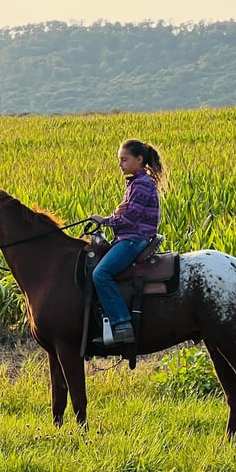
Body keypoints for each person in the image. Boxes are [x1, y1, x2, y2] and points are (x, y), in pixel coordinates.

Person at [90, 139, 165, 345]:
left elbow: (129, 219)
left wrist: (104, 220)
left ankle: (122, 325)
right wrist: (115, 214)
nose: (120, 164)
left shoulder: (141, 185)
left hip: (134, 239)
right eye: (119, 160)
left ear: (139, 159)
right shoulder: (136, 182)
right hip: (130, 236)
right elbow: (127, 214)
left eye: (124, 159)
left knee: (101, 274)